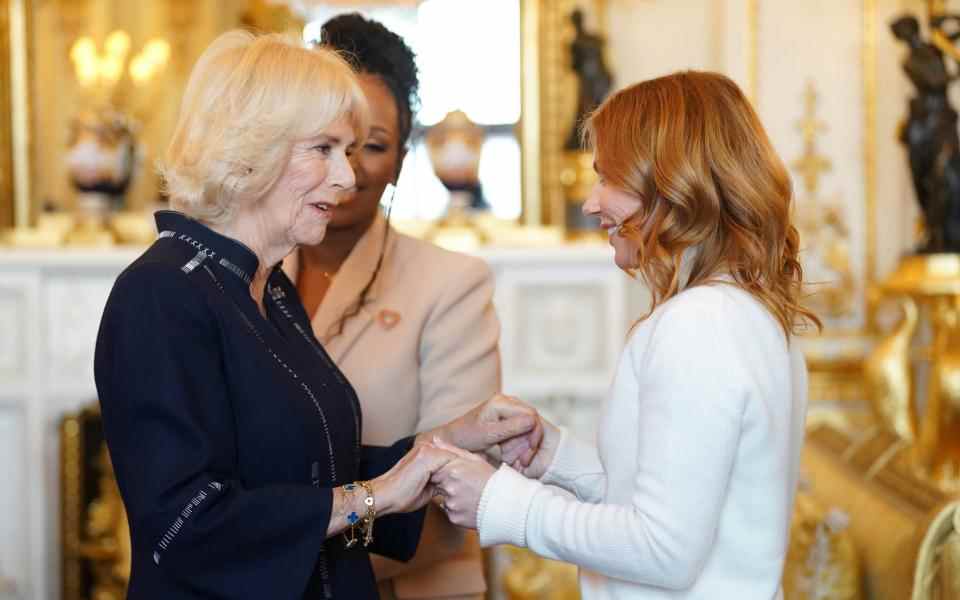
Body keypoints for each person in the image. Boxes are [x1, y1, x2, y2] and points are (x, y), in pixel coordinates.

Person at [94, 30, 537, 599]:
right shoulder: (160, 294)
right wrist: (377, 498)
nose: (348, 178)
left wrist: (445, 441)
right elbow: (187, 525)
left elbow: (313, 464)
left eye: (351, 151)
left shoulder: (267, 288)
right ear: (250, 151)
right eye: (323, 149)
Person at [431, 71, 822, 599]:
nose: (592, 203)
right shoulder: (742, 314)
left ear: (672, 183)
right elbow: (678, 501)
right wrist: (555, 456)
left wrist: (502, 504)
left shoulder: (699, 325)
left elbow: (664, 549)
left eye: (608, 179)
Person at [284, 14, 498, 600]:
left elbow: (451, 497)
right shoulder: (250, 275)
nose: (346, 171)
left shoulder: (452, 284)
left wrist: (284, 562)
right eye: (326, 145)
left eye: (371, 147)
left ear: (402, 158)